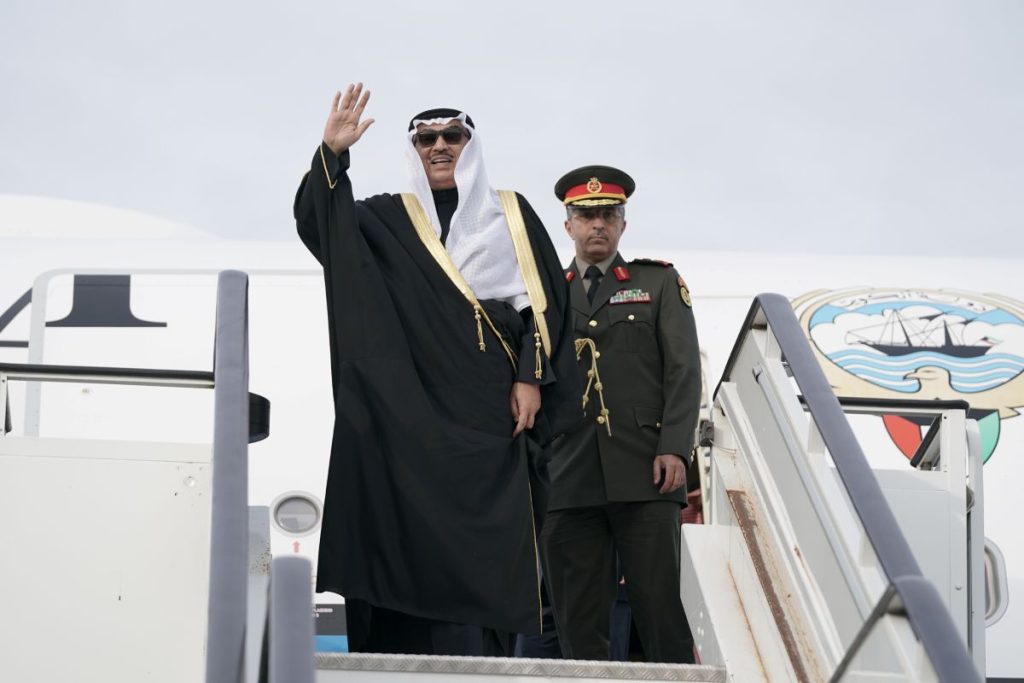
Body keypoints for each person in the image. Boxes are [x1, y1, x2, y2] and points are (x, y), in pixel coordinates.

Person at [293, 84, 580, 656]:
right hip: (410, 404)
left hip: (489, 405)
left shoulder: (511, 213)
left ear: (471, 144)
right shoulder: (385, 219)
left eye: (452, 136)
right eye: (427, 139)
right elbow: (321, 228)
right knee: (404, 518)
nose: (440, 146)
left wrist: (531, 377)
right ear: (414, 149)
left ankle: (482, 651)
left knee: (487, 533)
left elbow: (546, 305)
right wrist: (331, 155)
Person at [540, 165, 700, 663]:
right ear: (568, 225)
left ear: (623, 225)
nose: (598, 225)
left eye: (608, 215)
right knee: (577, 624)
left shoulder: (658, 281)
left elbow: (684, 371)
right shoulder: (545, 291)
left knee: (661, 615)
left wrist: (675, 448)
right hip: (567, 475)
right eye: (586, 215)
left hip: (646, 469)